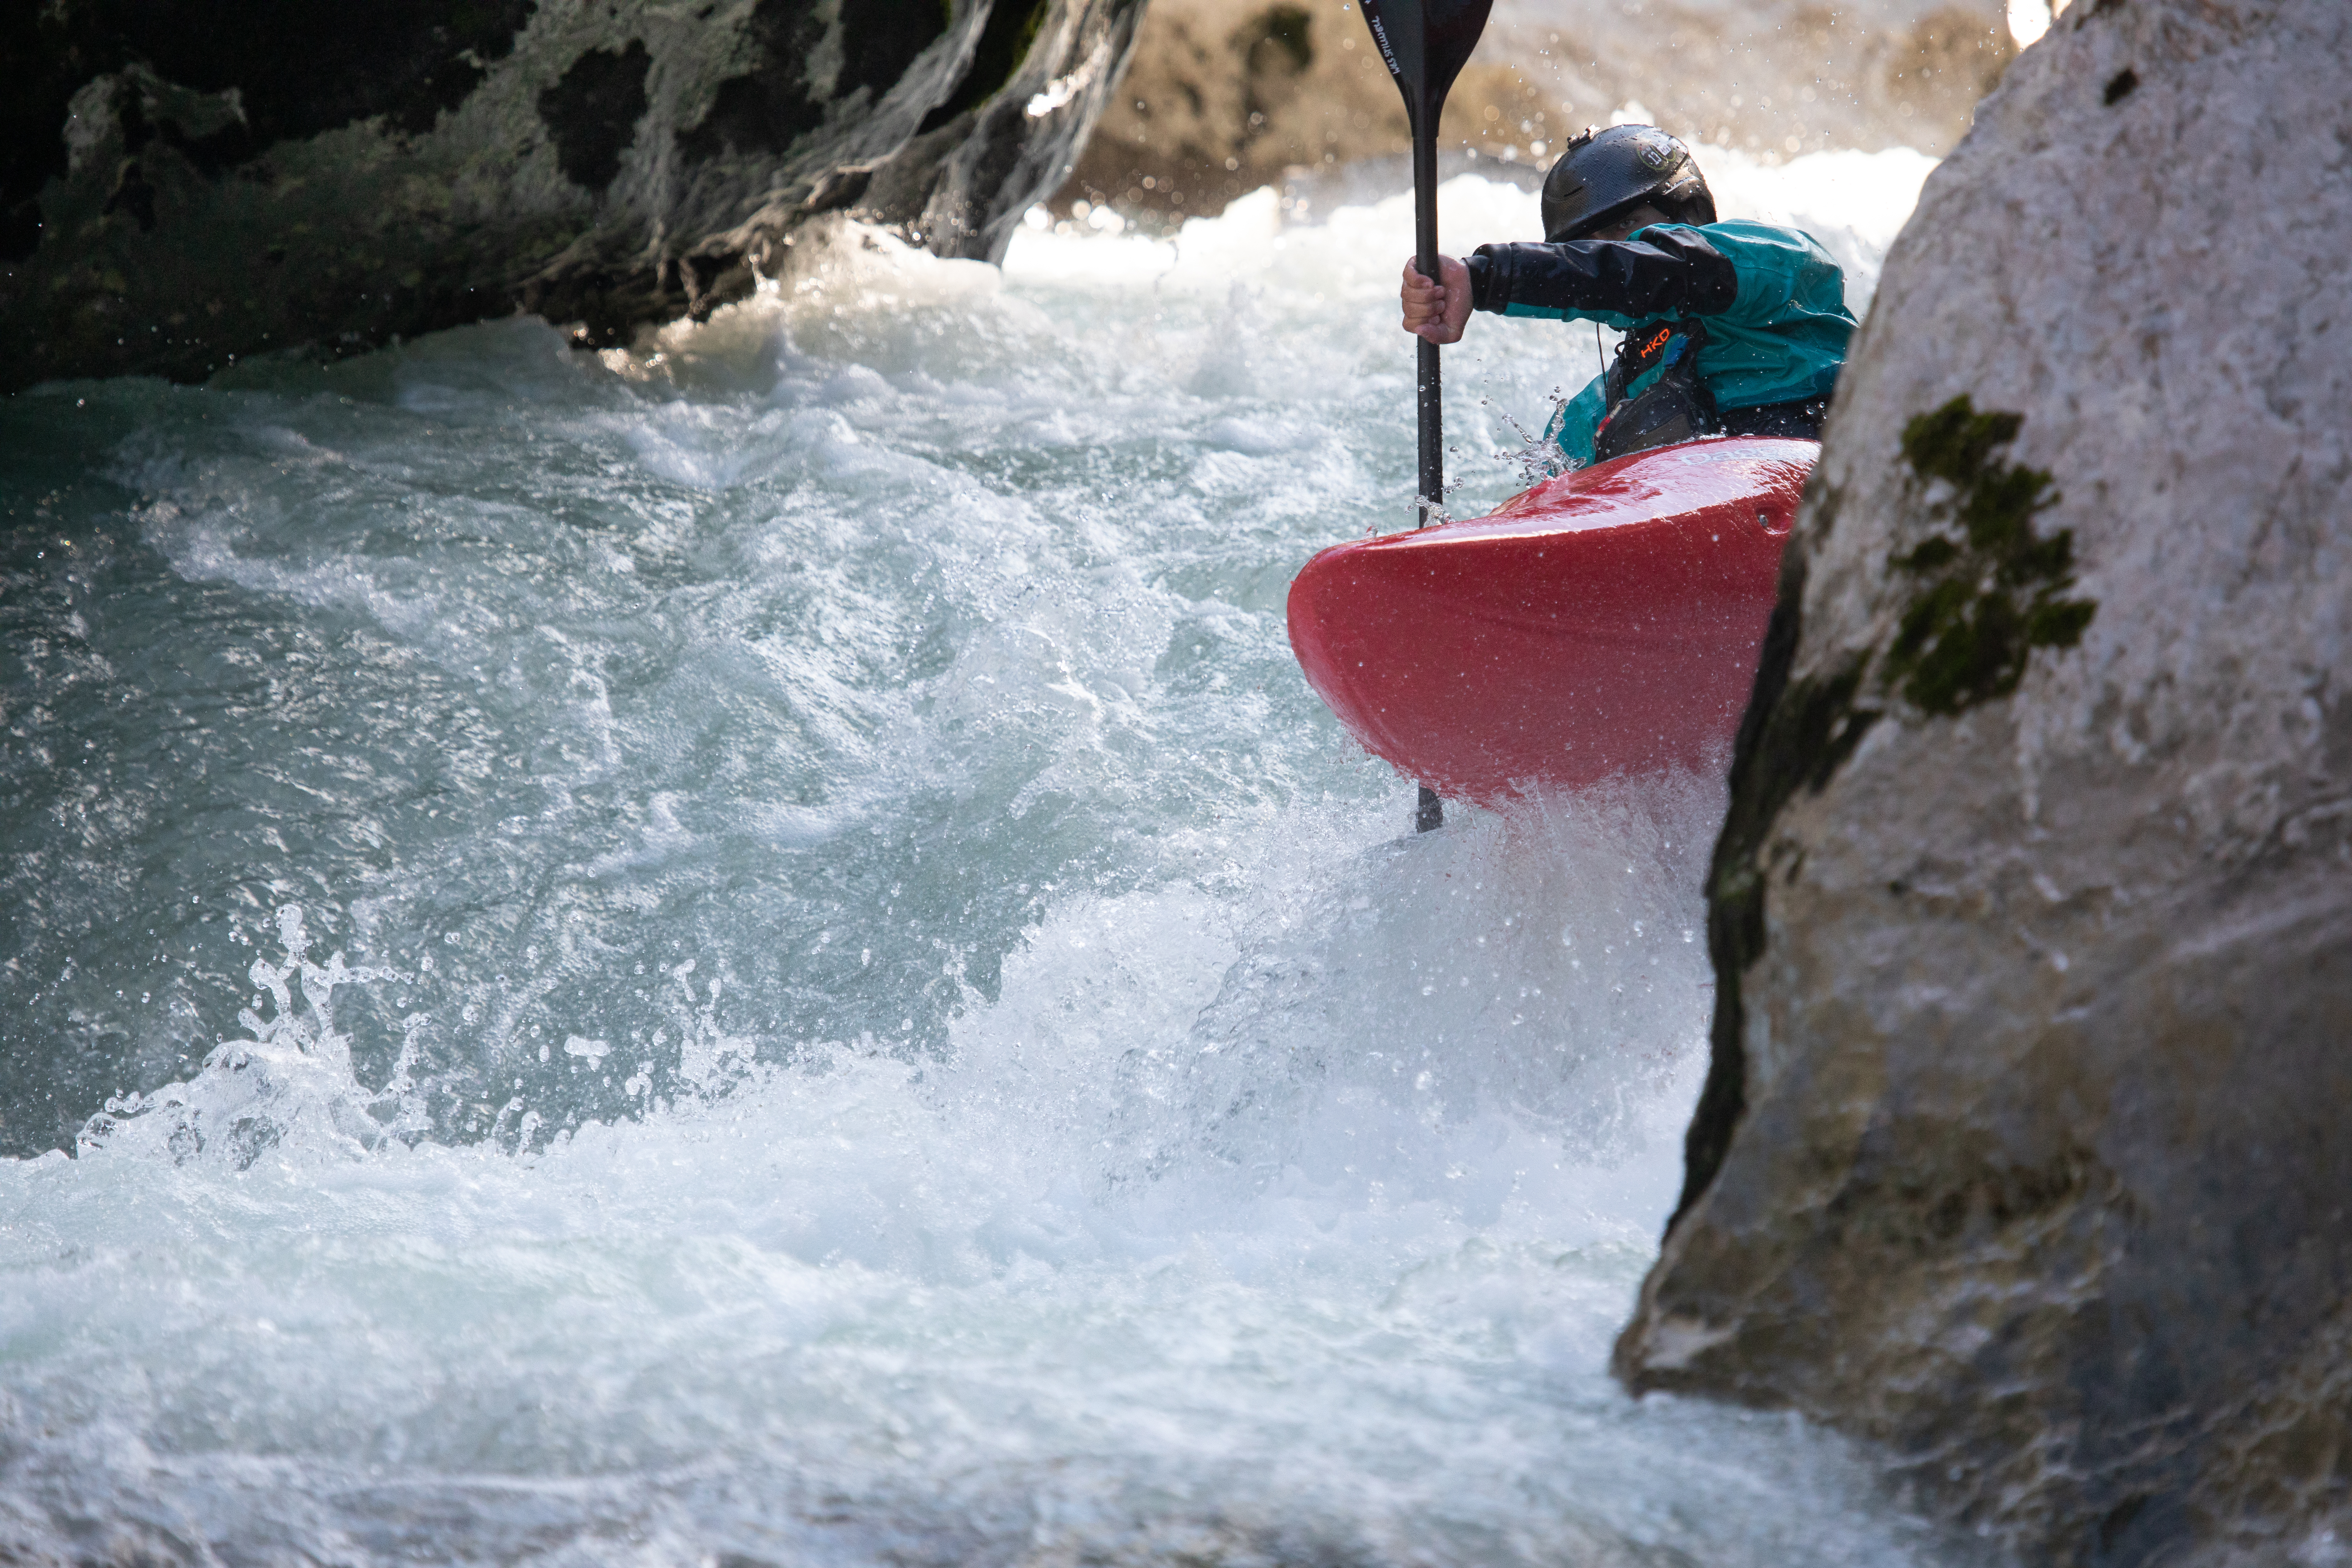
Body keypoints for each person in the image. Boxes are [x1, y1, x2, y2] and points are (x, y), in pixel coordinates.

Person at [1399, 125, 1856, 467]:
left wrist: (1482, 280)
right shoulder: (1594, 413)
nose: (1606, 249)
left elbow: (1650, 271)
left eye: (1623, 226)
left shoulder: (1776, 263)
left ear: (1686, 212)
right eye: (1587, 242)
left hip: (1827, 479)